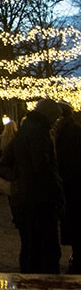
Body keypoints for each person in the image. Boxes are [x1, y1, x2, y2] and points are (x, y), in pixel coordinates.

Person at [5, 98, 64, 274]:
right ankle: (45, 287)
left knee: (30, 244)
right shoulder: (40, 132)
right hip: (40, 198)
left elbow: (3, 163)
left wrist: (18, 179)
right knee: (47, 246)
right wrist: (57, 191)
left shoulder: (23, 131)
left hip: (24, 198)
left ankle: (28, 281)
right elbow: (43, 167)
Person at [54, 104, 81, 273]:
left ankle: (76, 257)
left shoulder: (67, 134)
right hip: (72, 185)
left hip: (71, 186)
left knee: (74, 223)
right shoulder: (72, 131)